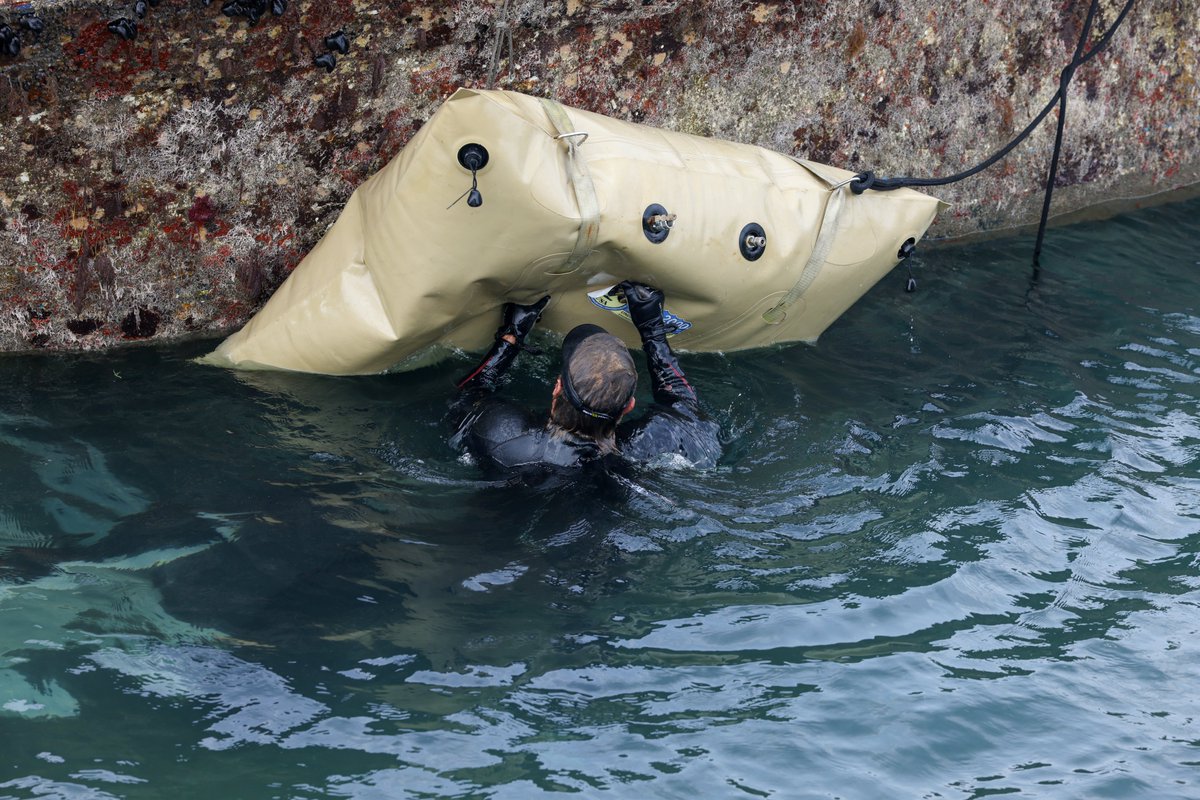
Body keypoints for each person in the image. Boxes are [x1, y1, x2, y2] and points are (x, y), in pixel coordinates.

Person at [449, 281, 720, 484]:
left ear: (557, 387)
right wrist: (653, 331)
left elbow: (468, 392)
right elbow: (685, 406)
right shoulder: (644, 448)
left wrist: (512, 337)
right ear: (629, 407)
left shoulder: (500, 432)